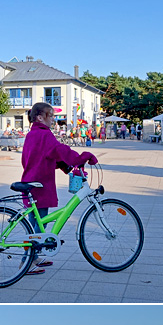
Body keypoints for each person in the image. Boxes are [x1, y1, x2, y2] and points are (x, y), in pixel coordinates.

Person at [20, 103, 97, 269]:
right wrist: (82, 157)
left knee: (36, 225)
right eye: (51, 116)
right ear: (40, 117)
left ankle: (32, 258)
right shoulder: (44, 134)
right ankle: (25, 263)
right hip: (40, 185)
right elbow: (59, 149)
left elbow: (40, 157)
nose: (53, 119)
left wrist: (64, 166)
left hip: (30, 182)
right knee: (37, 228)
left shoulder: (32, 135)